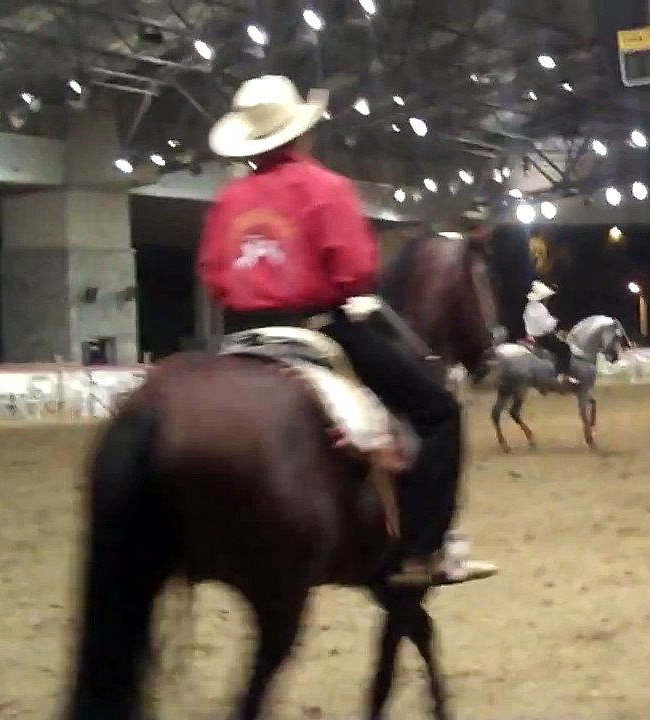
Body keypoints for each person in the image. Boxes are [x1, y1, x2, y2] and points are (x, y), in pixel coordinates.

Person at [197, 74, 493, 585]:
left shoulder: (228, 201)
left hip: (240, 337)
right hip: (317, 328)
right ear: (300, 134)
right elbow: (356, 273)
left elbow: (213, 276)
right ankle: (423, 551)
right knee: (439, 412)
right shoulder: (326, 187)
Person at [523, 280, 577, 389]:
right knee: (564, 349)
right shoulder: (540, 309)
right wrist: (556, 321)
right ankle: (561, 374)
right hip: (542, 336)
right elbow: (546, 325)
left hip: (533, 334)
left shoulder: (530, 307)